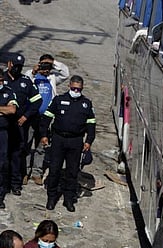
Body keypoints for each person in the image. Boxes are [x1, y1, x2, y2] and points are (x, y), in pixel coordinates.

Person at [39, 75, 96, 212]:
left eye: (78, 89)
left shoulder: (86, 104)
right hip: (58, 139)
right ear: (69, 86)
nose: (76, 91)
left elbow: (91, 125)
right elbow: (46, 118)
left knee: (72, 172)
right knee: (54, 170)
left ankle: (69, 200)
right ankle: (51, 198)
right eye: (73, 88)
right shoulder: (59, 100)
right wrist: (43, 135)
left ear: (82, 88)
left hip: (76, 141)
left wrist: (88, 141)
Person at [25, 54, 70, 186]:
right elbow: (26, 80)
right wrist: (35, 71)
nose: (45, 69)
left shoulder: (52, 78)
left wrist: (53, 63)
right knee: (27, 144)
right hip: (31, 116)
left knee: (41, 146)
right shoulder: (32, 76)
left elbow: (65, 73)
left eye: (48, 66)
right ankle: (25, 171)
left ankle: (37, 172)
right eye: (43, 65)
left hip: (45, 119)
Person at [2, 54, 43, 196]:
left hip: (19, 124)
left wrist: (26, 116)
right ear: (9, 64)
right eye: (15, 65)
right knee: (3, 155)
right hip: (3, 124)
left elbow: (37, 100)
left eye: (20, 67)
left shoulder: (25, 81)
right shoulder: (2, 79)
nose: (16, 69)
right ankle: (3, 184)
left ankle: (15, 184)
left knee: (16, 155)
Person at [0, 72, 19, 210]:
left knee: (1, 165)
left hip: (2, 133)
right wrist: (2, 110)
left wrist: (4, 110)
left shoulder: (9, 92)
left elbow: (12, 110)